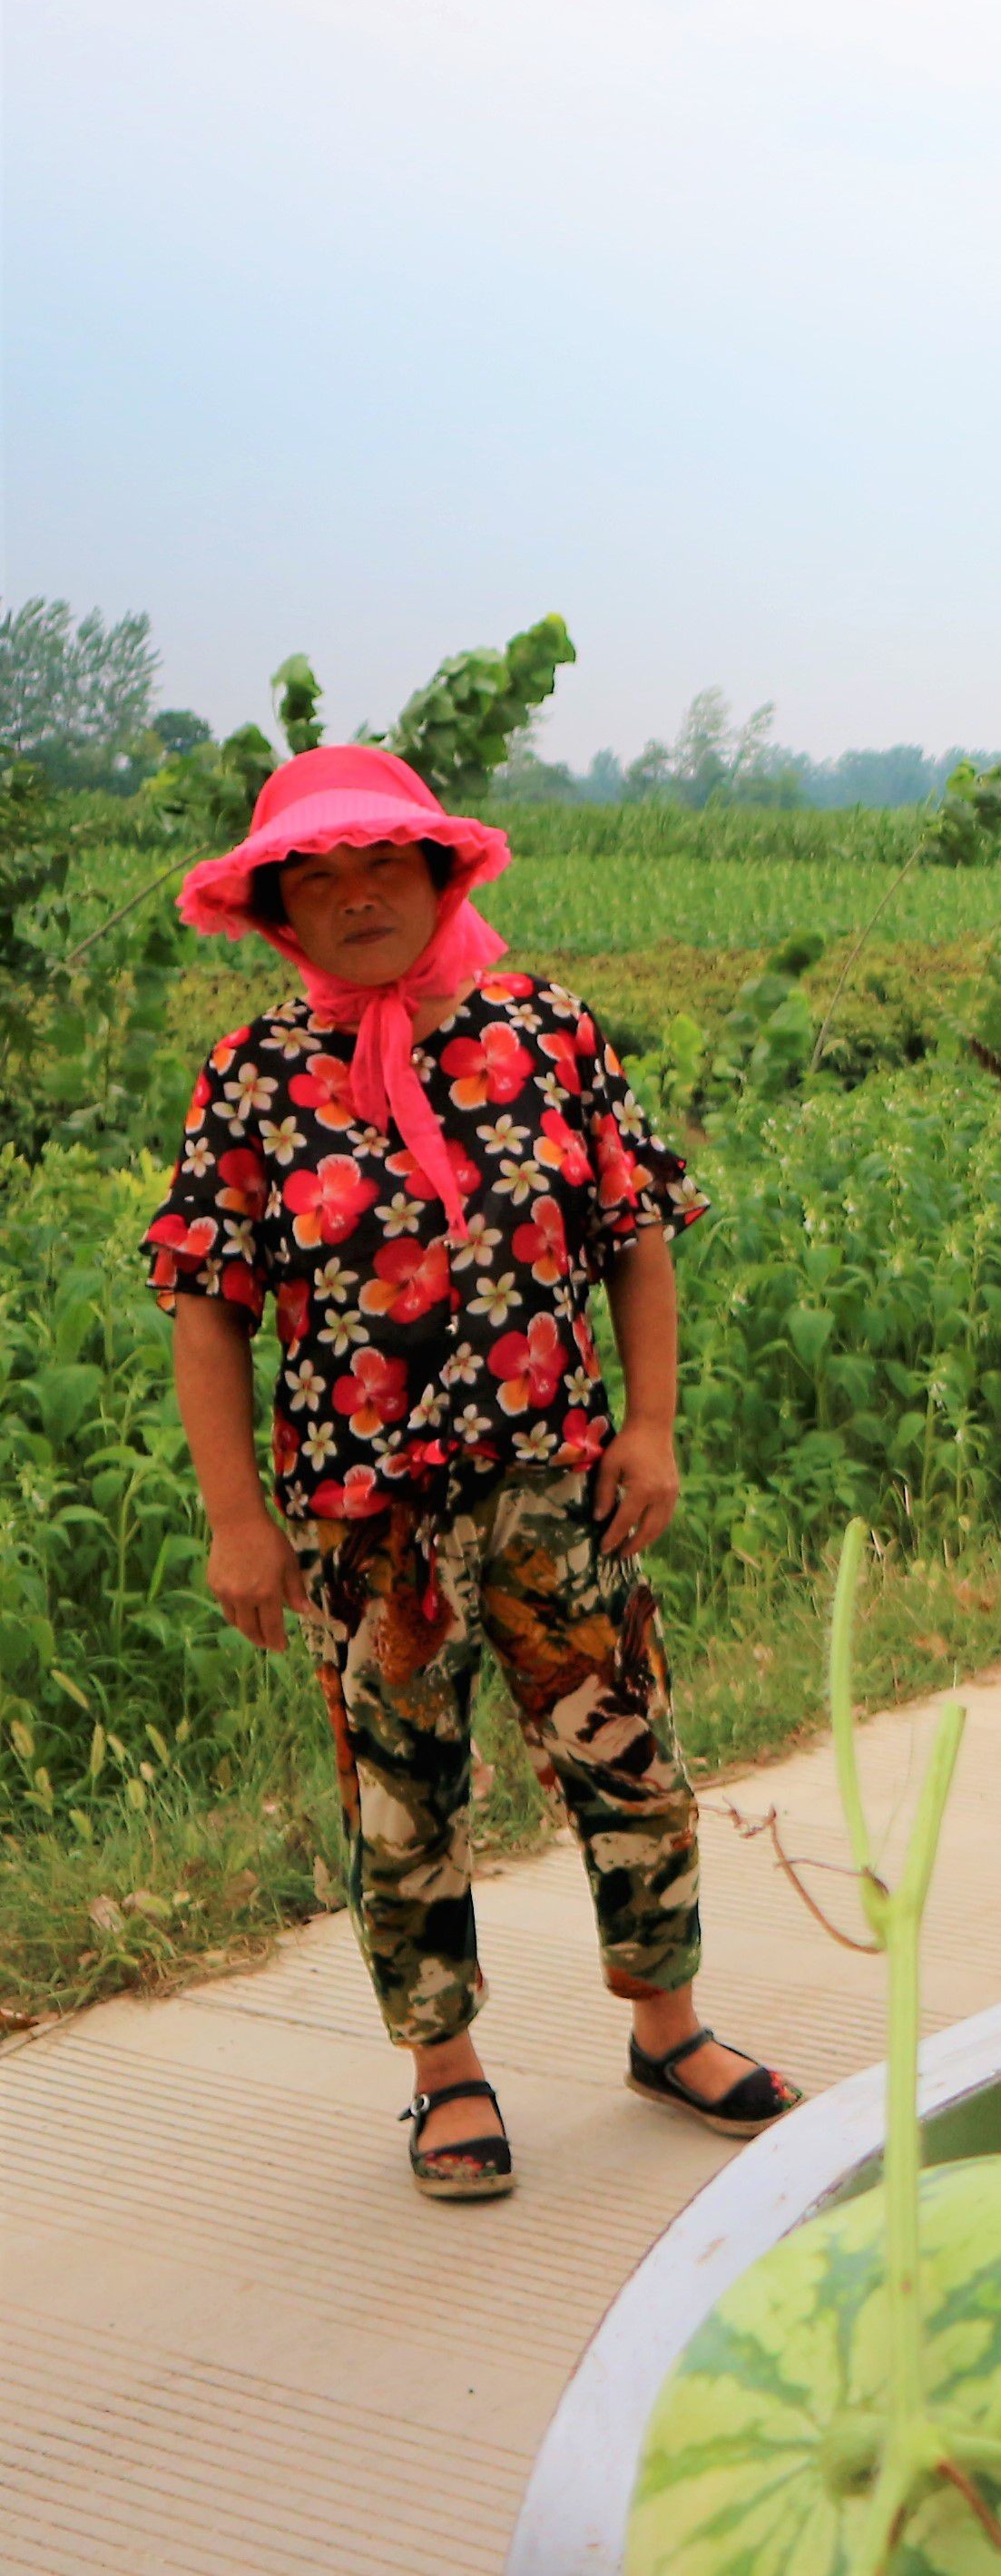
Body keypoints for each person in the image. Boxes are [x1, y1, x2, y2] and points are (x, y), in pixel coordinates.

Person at [148, 745, 800, 2201]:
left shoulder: (546, 1032)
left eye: (385, 862)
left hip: (556, 1489)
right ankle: (444, 2072)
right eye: (319, 876)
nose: (356, 895)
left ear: (441, 874)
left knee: (631, 1760)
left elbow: (635, 1232)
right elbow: (208, 1305)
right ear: (278, 911)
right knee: (403, 1799)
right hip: (362, 1517)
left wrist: (651, 1426)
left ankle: (669, 2030)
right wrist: (237, 1520)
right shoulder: (255, 1078)